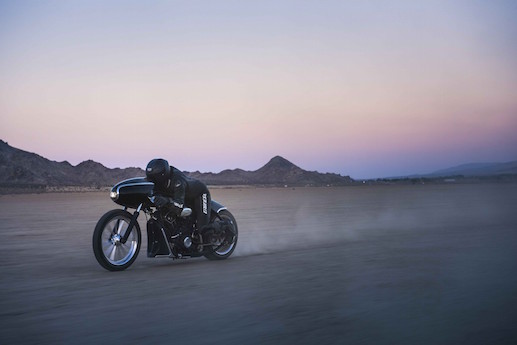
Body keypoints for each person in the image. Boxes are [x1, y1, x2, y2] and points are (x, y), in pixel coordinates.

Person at [145, 158, 211, 230]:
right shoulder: (159, 182)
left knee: (202, 227)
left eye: (154, 177)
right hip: (183, 195)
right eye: (150, 177)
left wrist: (166, 201)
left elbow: (179, 205)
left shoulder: (177, 182)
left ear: (162, 175)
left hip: (199, 193)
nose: (152, 180)